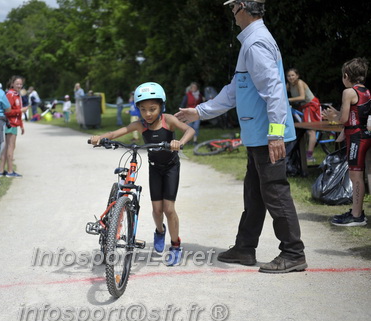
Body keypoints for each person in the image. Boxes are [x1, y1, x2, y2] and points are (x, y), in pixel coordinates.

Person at [176, 0, 307, 273]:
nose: (232, 15)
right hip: (258, 134)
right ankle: (245, 248)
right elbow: (236, 90)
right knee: (255, 193)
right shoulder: (251, 42)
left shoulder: (256, 43)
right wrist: (199, 111)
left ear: (244, 9)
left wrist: (275, 134)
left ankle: (293, 253)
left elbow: (273, 90)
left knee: (275, 192)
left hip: (266, 135)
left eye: (233, 8)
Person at [90, 82, 195, 266]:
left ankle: (176, 245)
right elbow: (116, 133)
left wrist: (180, 142)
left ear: (161, 106)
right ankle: (160, 231)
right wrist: (100, 138)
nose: (148, 113)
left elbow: (190, 130)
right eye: (143, 109)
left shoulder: (168, 120)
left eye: (153, 109)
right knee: (156, 210)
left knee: (169, 209)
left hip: (171, 167)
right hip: (155, 167)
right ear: (138, 108)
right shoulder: (139, 125)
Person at [322, 58, 370, 227]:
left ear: (346, 75)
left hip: (356, 138)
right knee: (357, 176)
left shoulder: (348, 92)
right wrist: (338, 114)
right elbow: (356, 115)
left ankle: (357, 216)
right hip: (362, 135)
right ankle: (357, 212)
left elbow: (343, 119)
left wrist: (332, 117)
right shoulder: (365, 91)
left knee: (355, 177)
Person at [286, 68, 321, 162]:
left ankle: (309, 155)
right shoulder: (289, 85)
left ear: (297, 76)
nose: (290, 77)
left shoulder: (300, 83)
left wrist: (288, 100)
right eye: (288, 76)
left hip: (311, 105)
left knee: (310, 130)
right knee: (301, 129)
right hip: (302, 106)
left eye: (292, 75)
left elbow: (302, 97)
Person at [0, 75, 26, 178]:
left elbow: (17, 113)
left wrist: (21, 125)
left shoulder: (16, 94)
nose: (19, 85)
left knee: (8, 147)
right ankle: (10, 171)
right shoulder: (11, 95)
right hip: (10, 123)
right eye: (17, 83)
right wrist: (21, 111)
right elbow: (7, 112)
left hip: (14, 123)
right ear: (12, 83)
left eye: (21, 84)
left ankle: (1, 170)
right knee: (11, 147)